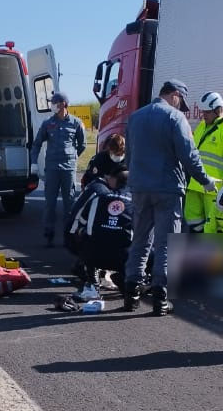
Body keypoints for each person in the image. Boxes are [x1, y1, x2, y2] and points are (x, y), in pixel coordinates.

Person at [123, 80, 218, 316]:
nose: (181, 106)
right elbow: (189, 156)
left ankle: (131, 293)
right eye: (180, 101)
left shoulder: (135, 117)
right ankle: (160, 300)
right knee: (165, 243)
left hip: (140, 188)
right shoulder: (175, 118)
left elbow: (129, 156)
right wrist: (205, 181)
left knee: (140, 240)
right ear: (175, 95)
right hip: (167, 189)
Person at [66, 167, 132, 301]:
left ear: (115, 181)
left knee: (88, 237)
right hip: (122, 258)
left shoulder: (98, 197)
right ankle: (131, 283)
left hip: (93, 256)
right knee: (147, 248)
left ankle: (92, 285)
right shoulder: (136, 203)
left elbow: (81, 223)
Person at [31, 92, 86, 247]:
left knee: (69, 203)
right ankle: (49, 234)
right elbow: (36, 144)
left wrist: (73, 158)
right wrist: (34, 163)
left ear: (63, 104)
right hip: (52, 168)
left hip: (68, 168)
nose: (52, 105)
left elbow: (82, 145)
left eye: (54, 103)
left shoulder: (76, 123)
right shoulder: (48, 123)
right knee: (50, 203)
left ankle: (68, 235)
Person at [184, 91, 223, 234]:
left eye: (207, 112)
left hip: (214, 190)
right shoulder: (201, 126)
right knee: (193, 224)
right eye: (203, 112)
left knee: (213, 228)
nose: (203, 115)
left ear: (218, 110)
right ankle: (197, 254)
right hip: (195, 186)